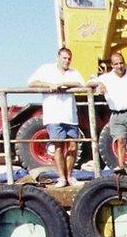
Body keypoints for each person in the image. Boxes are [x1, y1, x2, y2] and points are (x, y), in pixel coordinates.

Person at [27, 47, 86, 188]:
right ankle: (62, 178)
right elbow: (31, 82)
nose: (67, 61)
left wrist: (63, 84)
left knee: (73, 145)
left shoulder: (73, 72)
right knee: (58, 146)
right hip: (53, 115)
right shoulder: (46, 69)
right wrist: (49, 85)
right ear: (58, 57)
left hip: (70, 115)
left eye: (69, 58)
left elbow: (81, 83)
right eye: (64, 58)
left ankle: (70, 176)